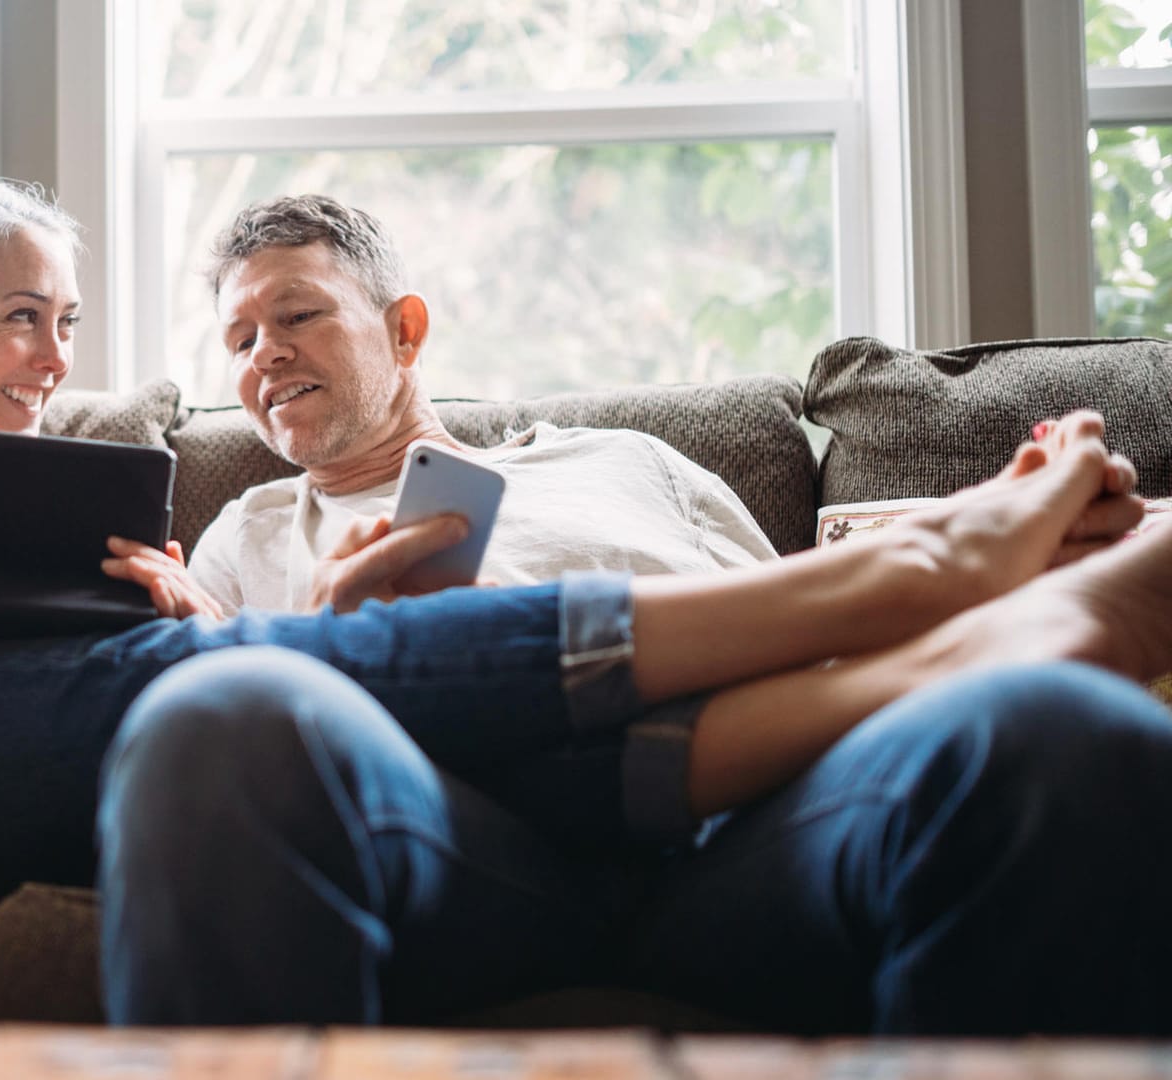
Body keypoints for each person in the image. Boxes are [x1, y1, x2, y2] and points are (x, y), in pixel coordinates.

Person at [91, 195, 1172, 1033]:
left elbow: (805, 653)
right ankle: (963, 604)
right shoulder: (247, 532)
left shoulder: (631, 465)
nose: (262, 354)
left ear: (405, 329)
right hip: (467, 854)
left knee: (1055, 728)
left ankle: (979, 633)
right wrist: (294, 638)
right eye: (235, 341)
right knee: (224, 708)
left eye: (296, 315)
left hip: (738, 845)